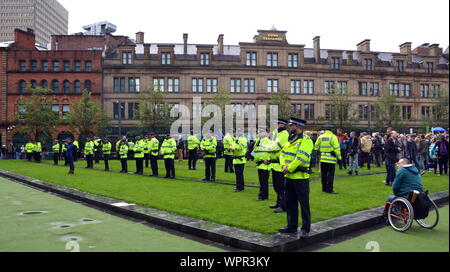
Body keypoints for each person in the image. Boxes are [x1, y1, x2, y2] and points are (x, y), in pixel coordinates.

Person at [278, 118, 314, 237]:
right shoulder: (290, 139)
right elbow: (282, 153)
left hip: (300, 177)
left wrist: (289, 167)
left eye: (292, 125)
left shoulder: (306, 140)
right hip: (289, 176)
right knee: (290, 203)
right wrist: (283, 165)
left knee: (304, 204)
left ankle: (305, 228)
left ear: (298, 126)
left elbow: (301, 157)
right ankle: (291, 226)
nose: (290, 127)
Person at [269, 119, 289, 213]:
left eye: (277, 124)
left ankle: (283, 205)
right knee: (276, 186)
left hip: (279, 163)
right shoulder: (276, 133)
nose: (275, 125)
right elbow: (269, 142)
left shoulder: (284, 134)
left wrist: (268, 148)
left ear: (282, 125)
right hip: (274, 164)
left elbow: (277, 146)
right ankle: (278, 202)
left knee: (280, 187)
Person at [314, 125, 342, 194]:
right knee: (330, 175)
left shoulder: (321, 136)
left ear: (325, 129)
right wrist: (339, 158)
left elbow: (316, 147)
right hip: (331, 159)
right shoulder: (333, 137)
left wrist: (322, 149)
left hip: (323, 158)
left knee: (323, 175)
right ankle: (329, 189)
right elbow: (337, 148)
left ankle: (324, 188)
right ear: (331, 130)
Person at [253, 129, 272, 201]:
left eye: (262, 132)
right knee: (262, 181)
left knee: (263, 181)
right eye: (259, 132)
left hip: (265, 164)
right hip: (259, 164)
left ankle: (262, 196)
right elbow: (255, 151)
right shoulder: (258, 141)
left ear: (266, 133)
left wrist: (268, 160)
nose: (260, 133)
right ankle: (264, 196)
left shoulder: (267, 141)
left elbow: (271, 151)